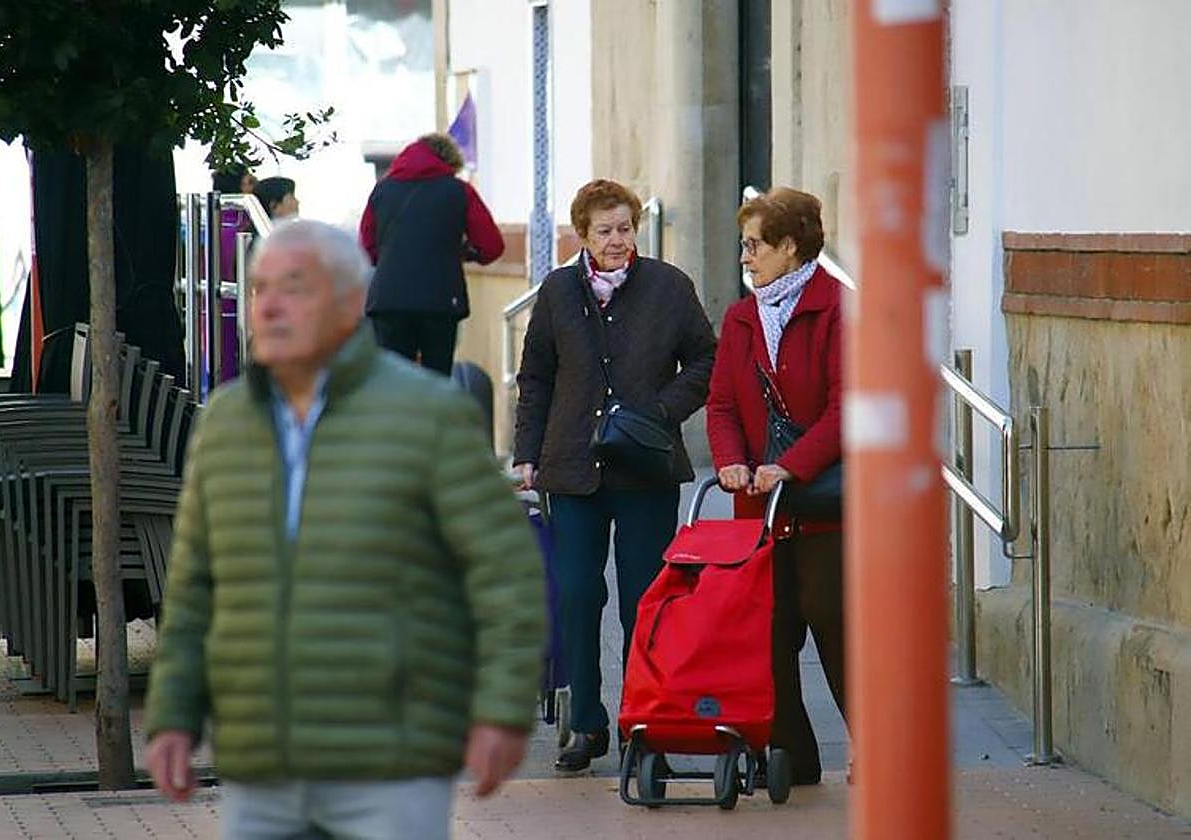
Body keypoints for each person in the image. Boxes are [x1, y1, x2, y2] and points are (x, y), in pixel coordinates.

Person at [144, 219, 545, 839]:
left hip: (391, 759)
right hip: (261, 761)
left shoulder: (426, 414)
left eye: (294, 288)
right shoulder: (225, 423)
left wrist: (501, 709)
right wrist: (172, 715)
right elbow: (195, 585)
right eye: (258, 289)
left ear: (351, 303)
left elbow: (505, 573)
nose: (269, 307)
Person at [513, 178, 716, 772]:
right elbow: (537, 377)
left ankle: (642, 717)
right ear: (583, 234)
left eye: (625, 228)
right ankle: (585, 723)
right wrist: (527, 452)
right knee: (576, 592)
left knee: (645, 598)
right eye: (604, 230)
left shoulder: (668, 287)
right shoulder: (556, 291)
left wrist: (658, 412)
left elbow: (705, 359)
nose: (617, 240)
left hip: (646, 469)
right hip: (571, 467)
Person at [705, 187, 846, 787]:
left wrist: (794, 466)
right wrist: (732, 461)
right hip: (758, 506)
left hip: (823, 504)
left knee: (832, 619)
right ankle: (791, 754)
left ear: (790, 247)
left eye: (755, 245)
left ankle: (878, 744)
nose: (746, 257)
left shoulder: (837, 308)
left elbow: (848, 406)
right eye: (744, 246)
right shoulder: (741, 317)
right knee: (767, 629)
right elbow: (721, 406)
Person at [359, 132, 504, 376]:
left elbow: (368, 246)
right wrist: (464, 253)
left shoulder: (382, 192)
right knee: (437, 381)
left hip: (389, 301)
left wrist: (392, 260)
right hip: (440, 301)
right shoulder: (460, 191)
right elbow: (491, 245)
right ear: (449, 163)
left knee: (393, 379)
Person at [211, 164, 257, 383]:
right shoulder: (239, 227)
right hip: (232, 307)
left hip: (214, 308)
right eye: (250, 183)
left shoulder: (211, 221)